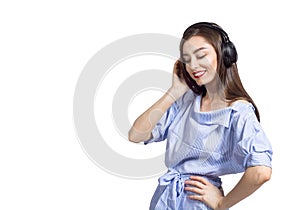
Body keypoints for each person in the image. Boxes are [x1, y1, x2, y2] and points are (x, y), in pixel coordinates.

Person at [128, 22, 273, 210]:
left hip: (197, 201)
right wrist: (174, 92)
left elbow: (261, 171)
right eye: (187, 59)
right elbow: (136, 135)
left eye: (201, 55)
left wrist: (222, 203)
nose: (193, 65)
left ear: (224, 55)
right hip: (165, 198)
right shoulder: (185, 101)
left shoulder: (239, 112)